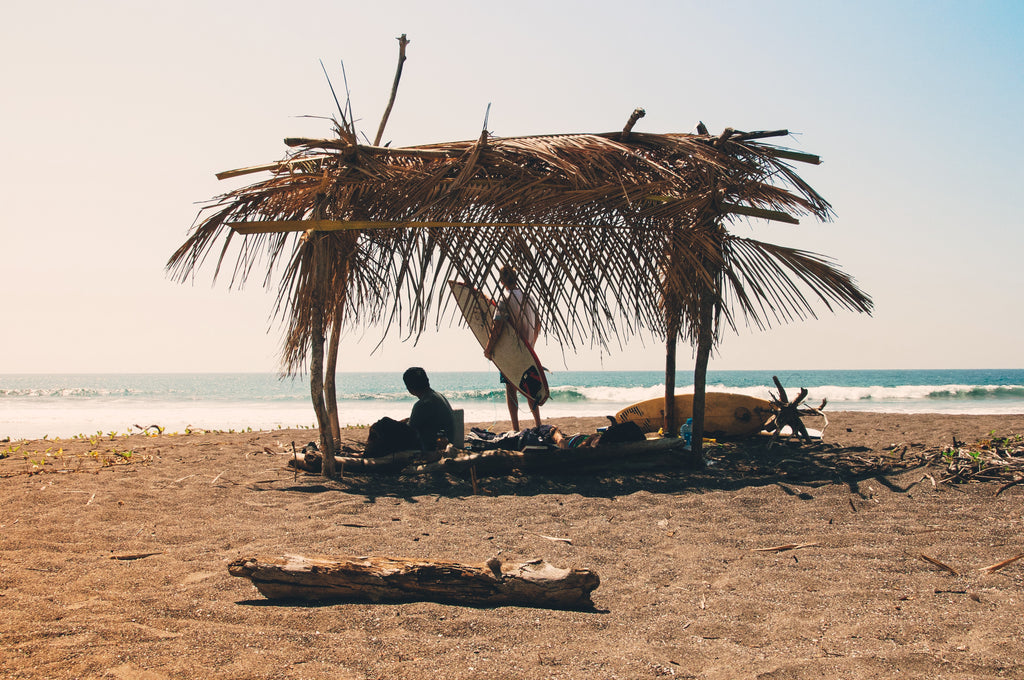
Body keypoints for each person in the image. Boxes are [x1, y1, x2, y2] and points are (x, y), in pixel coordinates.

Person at [483, 265, 542, 431]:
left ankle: (516, 428)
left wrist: (488, 349)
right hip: (528, 352)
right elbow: (538, 325)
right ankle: (538, 424)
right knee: (531, 388)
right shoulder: (529, 297)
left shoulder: (504, 298)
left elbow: (497, 327)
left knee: (511, 389)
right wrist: (531, 346)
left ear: (501, 281)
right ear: (516, 278)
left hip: (511, 353)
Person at [402, 367, 456, 454]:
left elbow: (409, 432)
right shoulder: (437, 396)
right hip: (449, 442)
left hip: (433, 450)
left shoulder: (423, 404)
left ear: (409, 389)